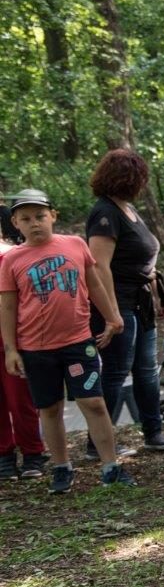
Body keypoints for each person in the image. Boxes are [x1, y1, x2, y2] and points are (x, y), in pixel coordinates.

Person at [0, 189, 136, 493]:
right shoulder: (12, 261)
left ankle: (111, 465)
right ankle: (62, 467)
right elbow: (7, 307)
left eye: (40, 216)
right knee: (49, 408)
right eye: (26, 219)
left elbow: (94, 284)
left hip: (78, 343)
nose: (35, 223)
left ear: (53, 216)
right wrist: (11, 349)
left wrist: (113, 316)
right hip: (36, 349)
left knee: (94, 402)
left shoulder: (75, 245)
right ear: (16, 223)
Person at [84, 149, 164, 459]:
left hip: (140, 303)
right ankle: (97, 443)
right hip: (117, 303)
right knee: (115, 371)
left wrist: (156, 298)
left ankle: (153, 432)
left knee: (146, 370)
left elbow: (144, 264)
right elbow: (99, 266)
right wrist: (112, 315)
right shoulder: (105, 213)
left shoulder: (128, 210)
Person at [0, 201, 46, 480]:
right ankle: (4, 454)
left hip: (13, 336)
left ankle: (32, 453)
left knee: (21, 398)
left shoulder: (10, 255)